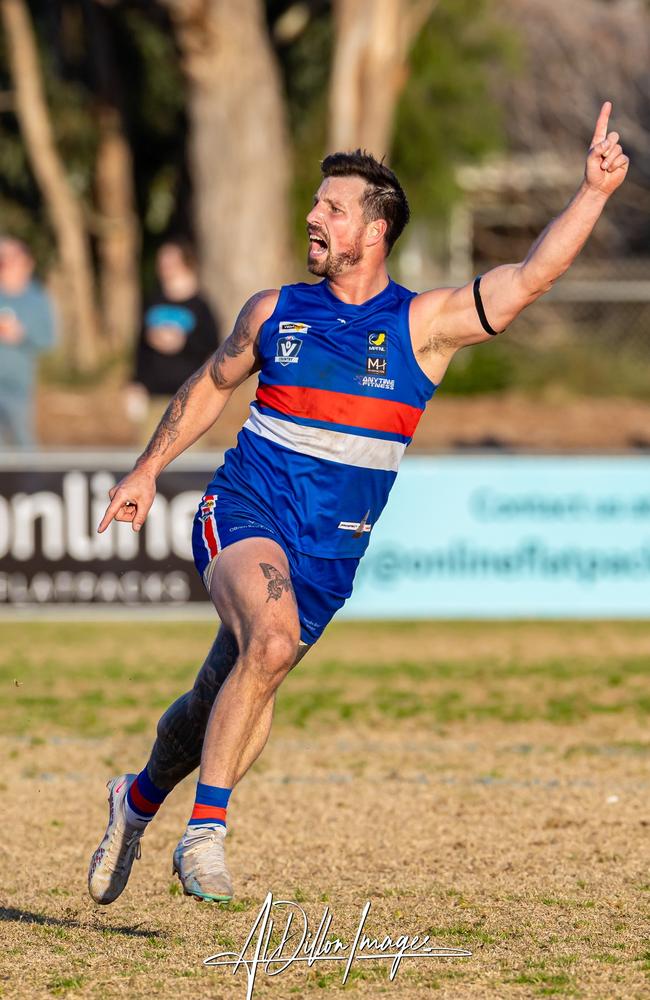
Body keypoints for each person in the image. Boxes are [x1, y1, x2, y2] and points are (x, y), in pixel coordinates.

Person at [88, 103, 628, 905]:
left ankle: (134, 802)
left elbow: (529, 279)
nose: (313, 216)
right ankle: (205, 833)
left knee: (221, 696)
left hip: (328, 556)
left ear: (373, 232)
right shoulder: (275, 311)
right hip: (244, 509)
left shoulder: (422, 327)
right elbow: (210, 383)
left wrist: (590, 192)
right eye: (316, 204)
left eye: (331, 208)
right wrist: (145, 469)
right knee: (268, 643)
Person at [127, 238, 220, 443]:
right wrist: (136, 382)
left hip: (188, 399)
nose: (164, 268)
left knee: (186, 462)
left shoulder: (201, 306)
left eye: (170, 262)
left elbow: (213, 349)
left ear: (186, 264)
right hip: (154, 398)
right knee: (147, 457)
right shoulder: (153, 300)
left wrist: (182, 342)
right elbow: (140, 346)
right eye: (162, 262)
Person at [0, 237, 56, 449]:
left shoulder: (37, 299)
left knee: (22, 439)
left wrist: (21, 334)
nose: (5, 264)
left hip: (19, 385)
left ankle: (32, 483)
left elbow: (48, 340)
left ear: (27, 263)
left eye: (11, 258)